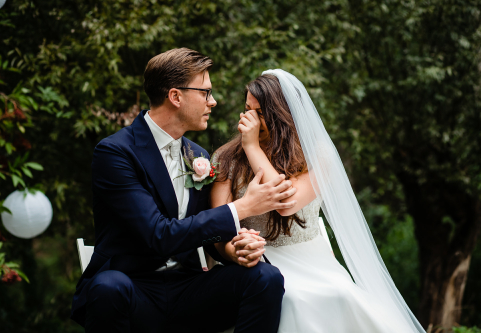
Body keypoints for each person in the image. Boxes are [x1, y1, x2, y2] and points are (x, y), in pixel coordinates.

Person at [70, 49, 299, 333]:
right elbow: (158, 235)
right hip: (134, 290)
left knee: (265, 277)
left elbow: (209, 235)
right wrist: (243, 208)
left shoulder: (197, 155)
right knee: (107, 287)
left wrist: (236, 250)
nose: (213, 102)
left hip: (189, 289)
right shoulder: (115, 153)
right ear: (176, 97)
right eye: (205, 93)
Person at [212, 70, 427, 333]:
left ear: (282, 114)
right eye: (247, 109)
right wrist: (235, 250)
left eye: (260, 112)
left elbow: (286, 203)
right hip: (263, 261)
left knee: (343, 297)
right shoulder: (226, 159)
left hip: (313, 259)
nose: (250, 119)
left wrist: (252, 147)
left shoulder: (318, 156)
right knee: (291, 300)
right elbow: (218, 224)